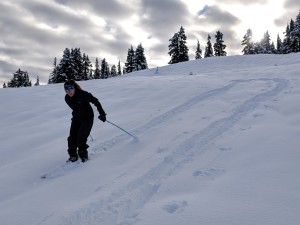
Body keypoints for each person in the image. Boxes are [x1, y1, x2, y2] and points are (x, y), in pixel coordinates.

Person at [64, 79, 106, 162]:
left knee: (81, 138)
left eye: (70, 88)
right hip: (76, 118)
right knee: (72, 138)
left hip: (87, 118)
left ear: (74, 88)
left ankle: (83, 156)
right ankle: (73, 156)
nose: (68, 91)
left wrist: (102, 114)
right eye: (66, 89)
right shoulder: (67, 98)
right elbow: (75, 108)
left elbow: (96, 101)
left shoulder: (83, 94)